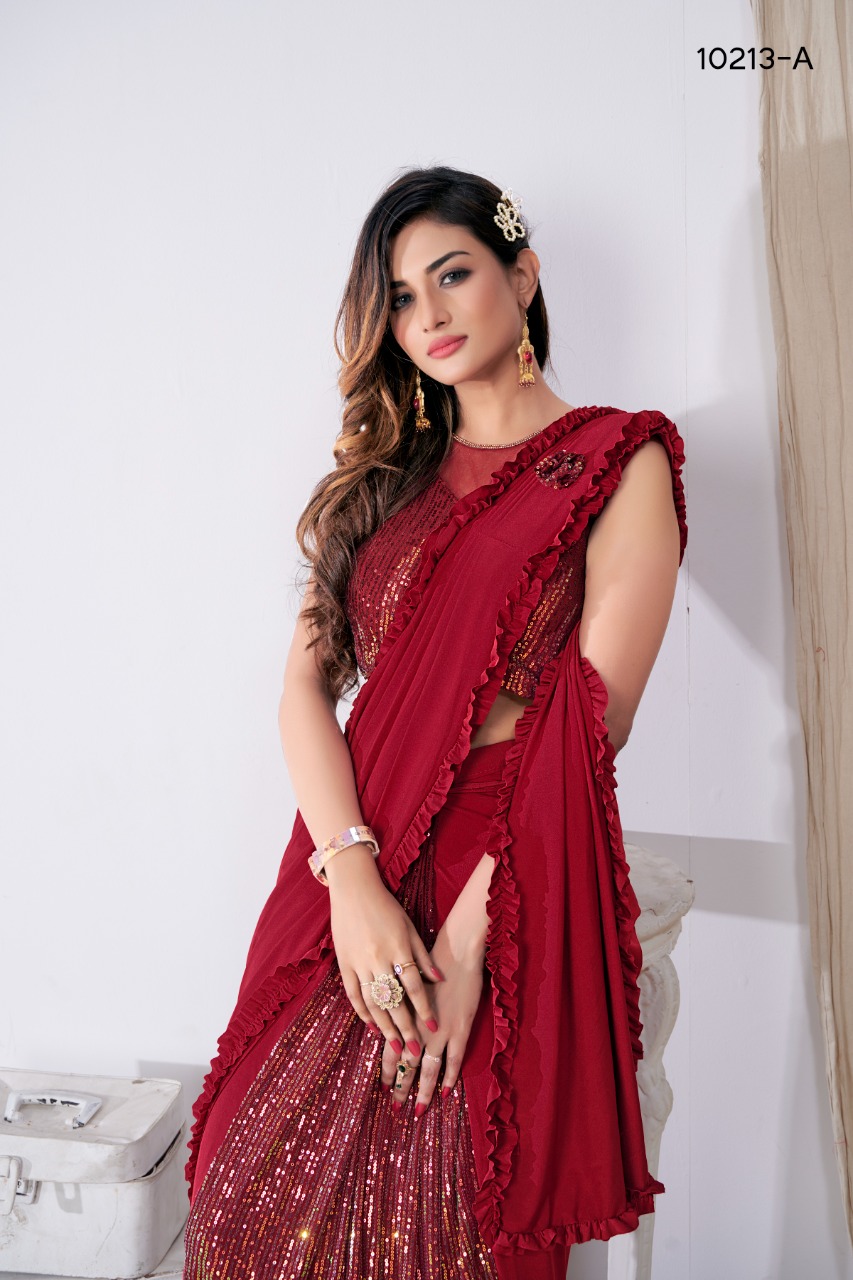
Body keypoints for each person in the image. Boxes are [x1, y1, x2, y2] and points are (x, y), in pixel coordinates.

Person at [182, 165, 687, 1280]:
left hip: (506, 860)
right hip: (345, 854)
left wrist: (467, 945)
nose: (428, 316)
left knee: (446, 1215)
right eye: (401, 298)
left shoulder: (618, 457)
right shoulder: (382, 481)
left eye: (451, 275)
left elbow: (591, 723)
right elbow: (303, 690)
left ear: (523, 274)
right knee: (240, 1196)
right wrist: (351, 883)